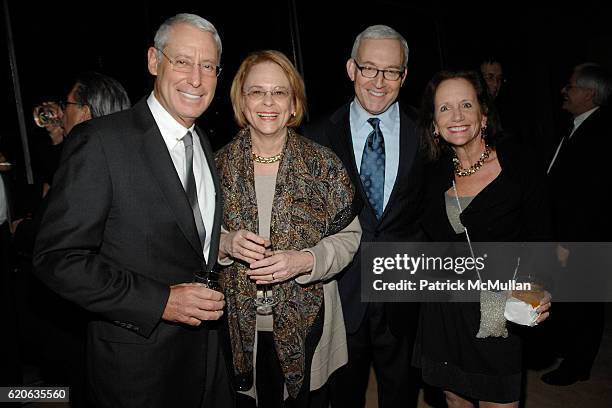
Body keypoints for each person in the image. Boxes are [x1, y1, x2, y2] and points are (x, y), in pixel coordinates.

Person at [33, 13, 231, 407]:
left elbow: (181, 239)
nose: (196, 78)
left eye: (207, 66)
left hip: (208, 363)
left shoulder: (203, 143)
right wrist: (160, 301)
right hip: (138, 372)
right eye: (182, 61)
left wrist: (220, 244)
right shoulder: (102, 142)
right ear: (154, 61)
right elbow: (57, 258)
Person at [216, 49, 361, 407]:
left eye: (279, 92)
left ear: (294, 103)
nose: (268, 101)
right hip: (239, 330)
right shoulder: (215, 165)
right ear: (241, 101)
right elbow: (197, 239)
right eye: (256, 91)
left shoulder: (323, 165)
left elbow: (349, 237)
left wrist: (307, 261)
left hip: (310, 324)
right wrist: (226, 242)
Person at [414, 69, 552, 407]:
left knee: (498, 399)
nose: (456, 116)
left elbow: (543, 235)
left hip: (498, 310)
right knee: (453, 397)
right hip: (445, 313)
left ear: (484, 114)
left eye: (466, 104)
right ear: (434, 122)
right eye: (444, 108)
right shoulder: (431, 173)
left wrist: (539, 285)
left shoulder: (519, 163)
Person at [303, 25, 424, 408]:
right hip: (341, 294)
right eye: (370, 68)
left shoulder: (428, 133)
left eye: (391, 71)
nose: (379, 81)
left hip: (405, 294)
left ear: (404, 76)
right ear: (351, 68)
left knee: (402, 395)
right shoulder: (316, 136)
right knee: (343, 397)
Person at [542, 62, 612, 386]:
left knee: (585, 302)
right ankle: (563, 351)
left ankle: (577, 365)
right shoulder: (575, 126)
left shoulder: (599, 135)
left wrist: (569, 243)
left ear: (589, 93)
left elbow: (591, 199)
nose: (564, 91)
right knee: (568, 299)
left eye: (570, 86)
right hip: (567, 233)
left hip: (584, 238)